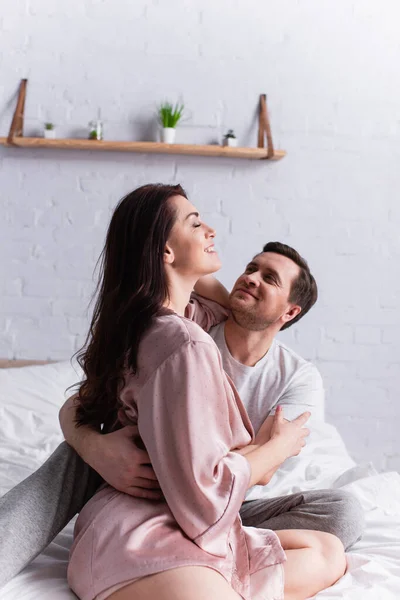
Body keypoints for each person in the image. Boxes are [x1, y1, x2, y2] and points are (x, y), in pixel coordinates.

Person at [1, 183, 347, 600]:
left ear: (290, 313)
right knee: (76, 460)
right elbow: (204, 492)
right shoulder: (189, 339)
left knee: (330, 544)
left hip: (179, 509)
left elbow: (194, 289)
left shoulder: (160, 320)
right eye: (196, 223)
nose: (212, 232)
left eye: (268, 278)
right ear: (166, 252)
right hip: (152, 527)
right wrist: (280, 446)